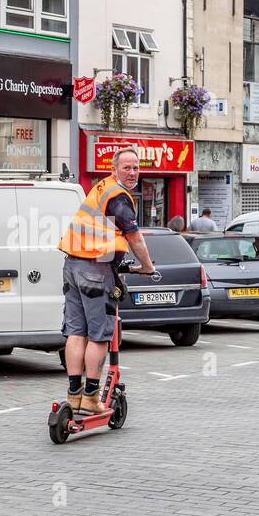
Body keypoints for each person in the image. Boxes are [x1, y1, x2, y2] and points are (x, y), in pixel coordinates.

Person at [58, 148, 156, 415]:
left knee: (76, 332)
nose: (133, 172)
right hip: (95, 269)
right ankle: (91, 397)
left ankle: (74, 394)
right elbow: (135, 238)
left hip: (72, 265)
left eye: (136, 167)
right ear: (114, 170)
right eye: (127, 167)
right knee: (100, 334)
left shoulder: (102, 188)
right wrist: (147, 267)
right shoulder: (118, 198)